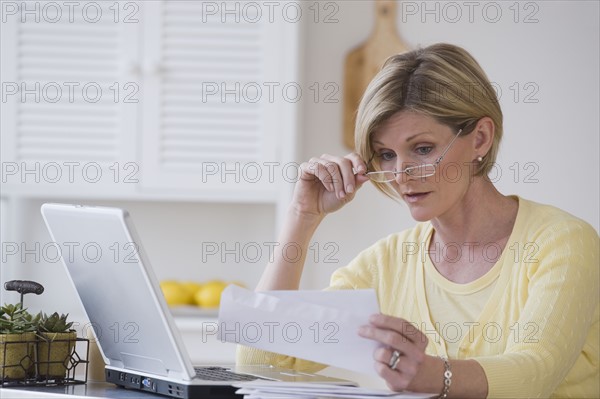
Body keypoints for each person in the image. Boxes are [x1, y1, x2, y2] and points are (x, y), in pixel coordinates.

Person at [236, 43, 599, 398]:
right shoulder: (386, 264)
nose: (401, 173)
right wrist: (302, 216)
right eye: (386, 154)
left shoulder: (563, 242)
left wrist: (433, 375)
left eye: (422, 149)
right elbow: (259, 362)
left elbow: (535, 372)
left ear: (481, 139)